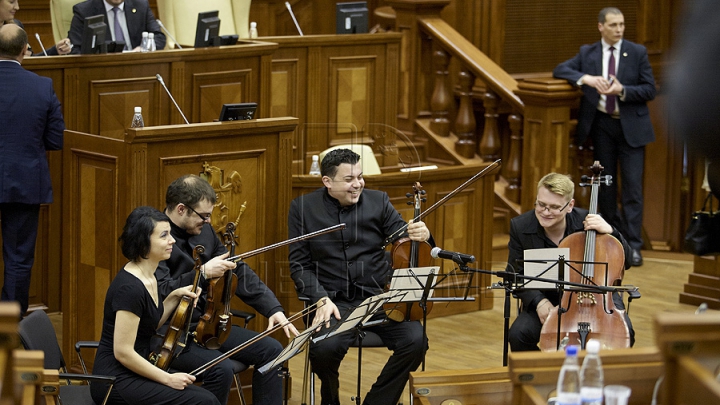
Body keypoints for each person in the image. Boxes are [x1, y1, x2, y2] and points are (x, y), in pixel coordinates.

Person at [288, 148, 430, 405]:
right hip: (334, 303)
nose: (358, 184)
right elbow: (299, 265)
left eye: (360, 177)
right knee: (323, 350)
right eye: (349, 179)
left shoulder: (379, 201)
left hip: (380, 299)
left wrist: (423, 235)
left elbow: (408, 244)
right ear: (327, 182)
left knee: (416, 341)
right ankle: (330, 399)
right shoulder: (303, 208)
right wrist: (320, 298)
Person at [156, 174, 298, 405]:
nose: (210, 222)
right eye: (204, 216)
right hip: (170, 331)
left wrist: (273, 309)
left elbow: (236, 269)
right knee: (220, 369)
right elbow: (160, 291)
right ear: (181, 209)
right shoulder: (156, 234)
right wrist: (201, 274)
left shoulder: (205, 231)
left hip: (208, 324)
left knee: (272, 350)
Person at [553, 7, 656, 267]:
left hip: (631, 127)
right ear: (601, 26)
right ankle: (615, 239)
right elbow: (560, 70)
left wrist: (623, 90)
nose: (619, 29)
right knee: (606, 189)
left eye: (621, 24)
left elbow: (650, 89)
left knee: (632, 188)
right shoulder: (588, 53)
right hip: (602, 128)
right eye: (613, 24)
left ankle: (633, 246)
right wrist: (585, 78)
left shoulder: (637, 52)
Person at [90, 206, 219, 405]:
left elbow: (151, 324)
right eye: (164, 235)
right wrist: (168, 378)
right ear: (143, 243)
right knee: (204, 401)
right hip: (115, 380)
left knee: (205, 398)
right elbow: (122, 352)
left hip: (135, 370)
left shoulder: (149, 276)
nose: (172, 241)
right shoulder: (130, 288)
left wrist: (175, 295)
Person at [506, 173, 635, 352]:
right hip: (547, 297)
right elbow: (514, 274)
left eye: (554, 207)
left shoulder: (589, 222)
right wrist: (539, 302)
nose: (545, 212)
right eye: (541, 204)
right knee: (518, 334)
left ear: (570, 206)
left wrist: (612, 232)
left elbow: (627, 261)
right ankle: (542, 376)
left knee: (625, 332)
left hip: (598, 298)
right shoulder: (520, 227)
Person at [0, 24, 64, 316]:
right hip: (24, 184)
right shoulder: (42, 86)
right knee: (18, 260)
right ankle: (8, 333)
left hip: (20, 183)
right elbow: (54, 139)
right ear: (25, 50)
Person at [68, 0, 165, 53]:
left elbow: (159, 37)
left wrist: (142, 48)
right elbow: (75, 48)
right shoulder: (84, 11)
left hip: (136, 67)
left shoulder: (141, 6)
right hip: (101, 70)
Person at [0, 0, 73, 55]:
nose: (17, 7)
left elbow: (32, 60)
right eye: (12, 2)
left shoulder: (17, 26)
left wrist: (55, 50)